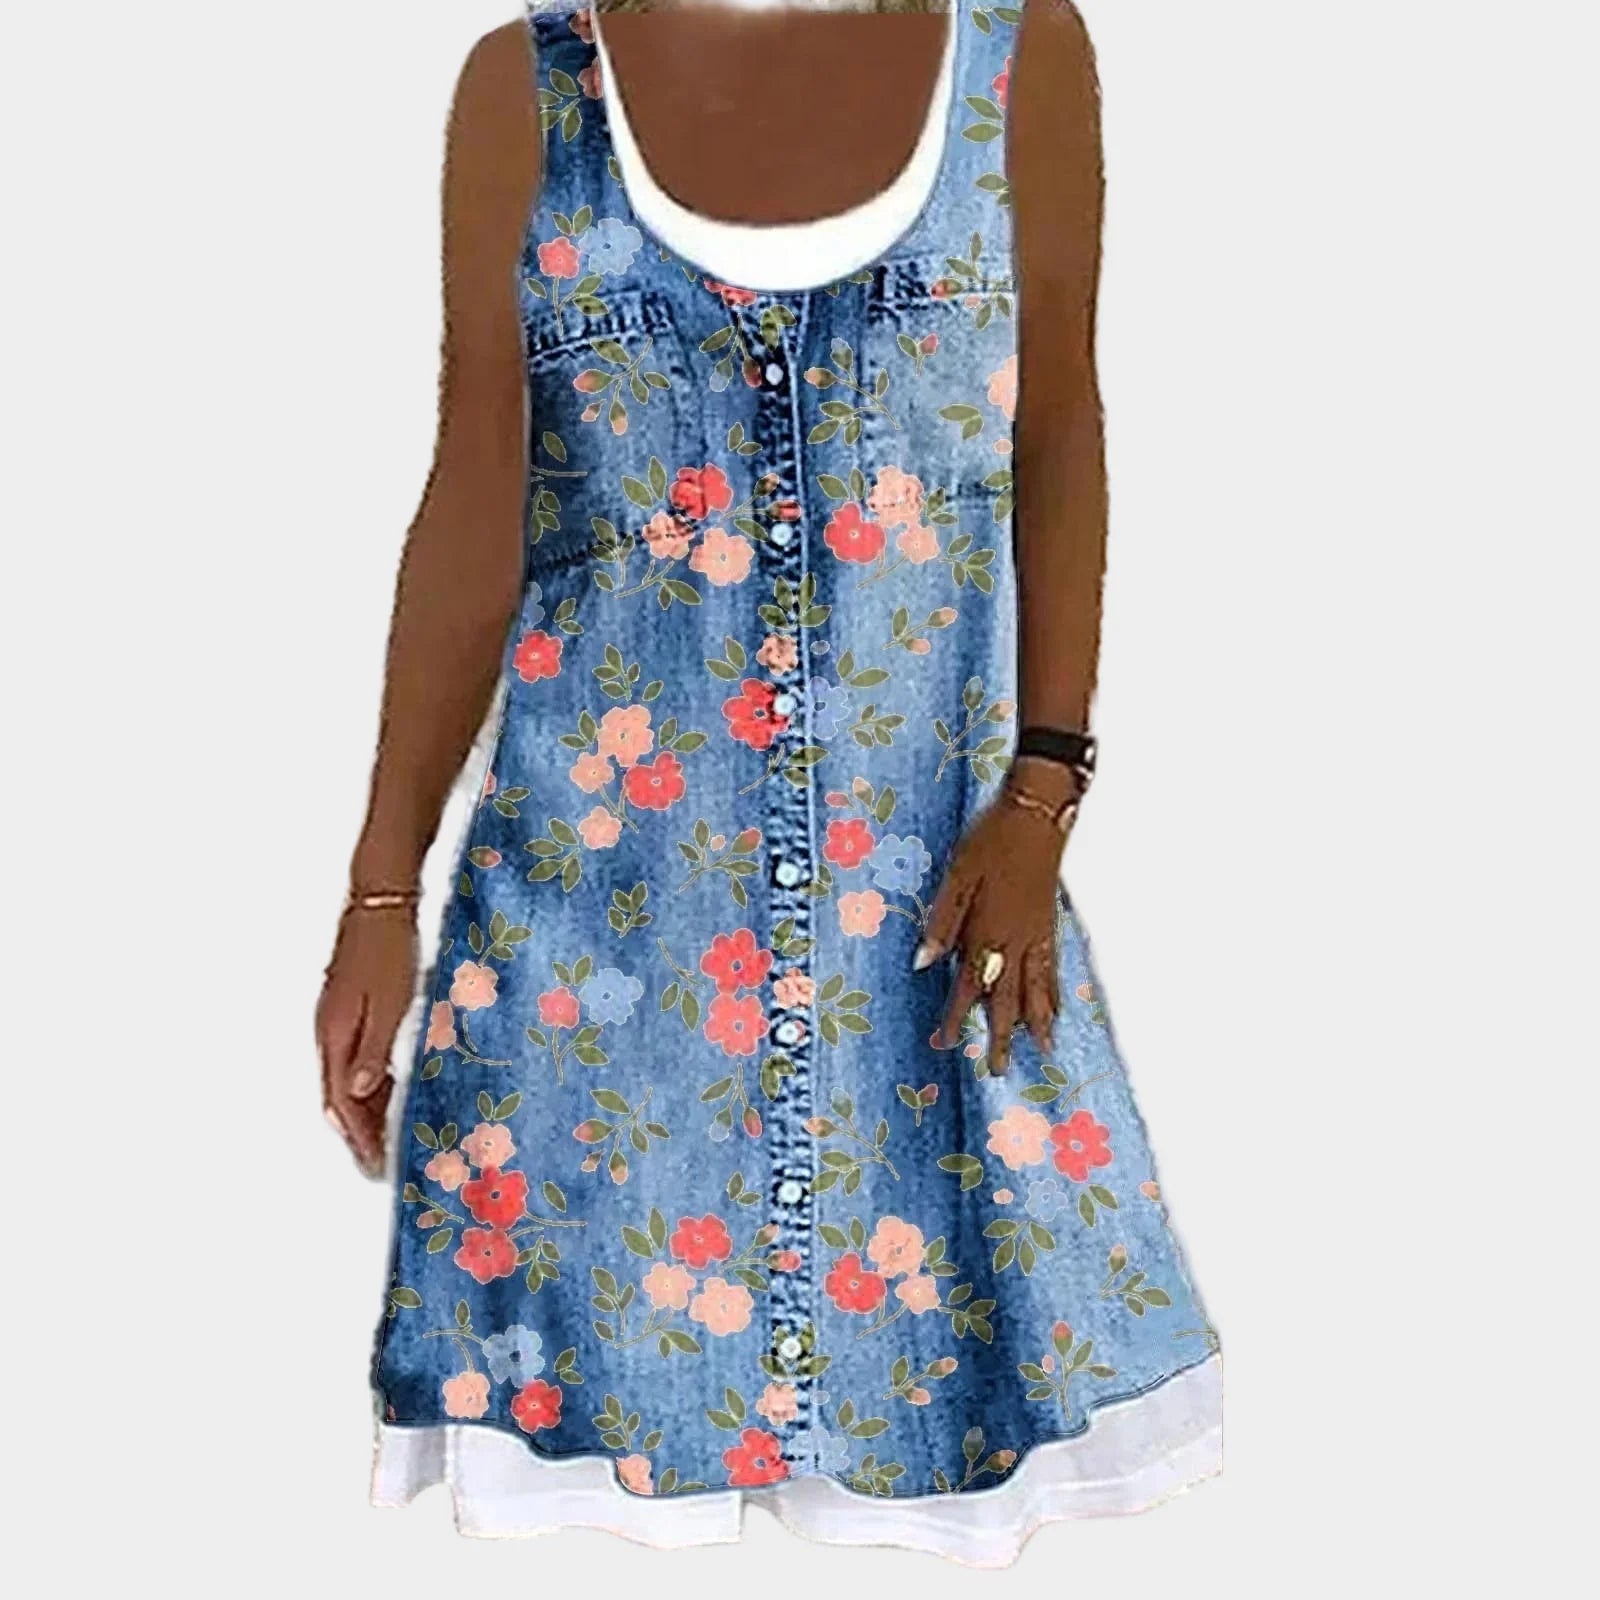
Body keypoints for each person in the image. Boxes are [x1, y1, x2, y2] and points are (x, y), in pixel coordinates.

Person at [317, 0, 1219, 1563]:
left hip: (927, 926)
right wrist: (380, 888)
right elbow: (476, 490)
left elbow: (1060, 421)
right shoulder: (527, 91)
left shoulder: (1018, 56)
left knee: (951, 1440)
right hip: (593, 965)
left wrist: (1045, 789)